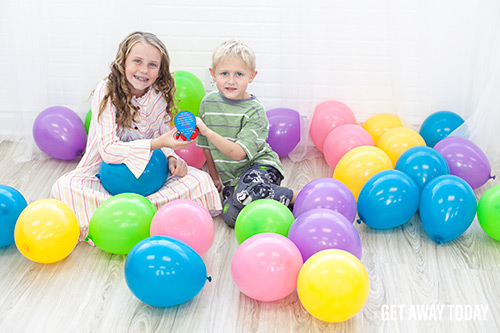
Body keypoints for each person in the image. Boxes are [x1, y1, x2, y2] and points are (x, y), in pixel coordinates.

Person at [51, 31, 222, 242]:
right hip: (103, 174)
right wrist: (158, 143)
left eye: (152, 65)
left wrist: (171, 158)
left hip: (152, 176)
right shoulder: (106, 91)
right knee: (64, 186)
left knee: (200, 179)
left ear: (160, 70)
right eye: (137, 61)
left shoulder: (160, 93)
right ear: (123, 62)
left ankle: (130, 216)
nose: (143, 70)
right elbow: (108, 150)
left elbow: (161, 134)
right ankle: (146, 217)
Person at [196, 39, 298, 227]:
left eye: (239, 74)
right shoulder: (208, 103)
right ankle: (268, 200)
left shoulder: (255, 110)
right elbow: (205, 146)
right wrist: (215, 177)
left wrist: (208, 131)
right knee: (231, 217)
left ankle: (293, 198)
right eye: (224, 73)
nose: (231, 80)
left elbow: (238, 154)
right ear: (213, 74)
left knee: (247, 194)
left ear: (251, 76)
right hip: (232, 178)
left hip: (260, 166)